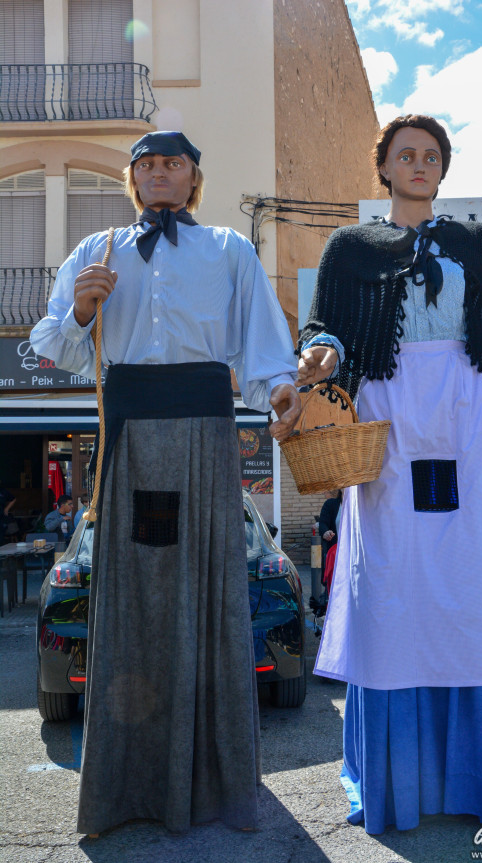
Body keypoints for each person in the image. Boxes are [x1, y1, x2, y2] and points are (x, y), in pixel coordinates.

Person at [30, 130, 300, 836]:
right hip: (128, 438)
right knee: (128, 603)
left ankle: (215, 783)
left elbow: (265, 346)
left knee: (211, 598)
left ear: (191, 179)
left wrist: (279, 392)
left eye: (171, 163)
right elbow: (52, 350)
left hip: (207, 436)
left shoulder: (229, 250)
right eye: (146, 164)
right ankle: (125, 790)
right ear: (133, 179)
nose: (158, 172)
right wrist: (82, 312)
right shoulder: (96, 251)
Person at [297, 114, 482, 834]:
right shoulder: (350, 246)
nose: (418, 164)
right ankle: (394, 782)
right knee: (391, 590)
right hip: (385, 424)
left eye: (430, 156)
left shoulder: (478, 244)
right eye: (404, 154)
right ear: (381, 167)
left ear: (443, 170)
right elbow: (329, 333)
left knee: (468, 591)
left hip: (464, 422)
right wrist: (318, 355)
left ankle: (478, 775)